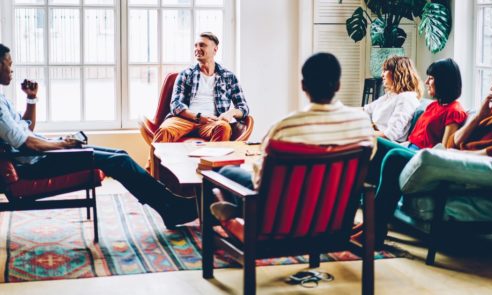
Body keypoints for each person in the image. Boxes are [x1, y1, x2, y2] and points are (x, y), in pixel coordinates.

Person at [0, 43, 196, 229]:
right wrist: (63, 145)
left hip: (41, 155)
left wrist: (31, 99)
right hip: (34, 165)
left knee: (120, 154)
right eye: (9, 65)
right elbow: (26, 143)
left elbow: (27, 129)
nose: (12, 70)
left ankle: (169, 205)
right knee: (119, 161)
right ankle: (170, 208)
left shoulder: (2, 99)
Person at [369, 62, 492, 249]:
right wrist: (480, 115)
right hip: (449, 158)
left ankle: (373, 233)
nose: (491, 87)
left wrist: (463, 156)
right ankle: (365, 225)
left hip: (457, 166)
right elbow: (457, 139)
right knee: (377, 148)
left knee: (394, 157)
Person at [210, 52, 374, 220]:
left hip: (282, 220)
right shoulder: (362, 124)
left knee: (226, 172)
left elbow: (260, 182)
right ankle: (239, 211)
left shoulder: (284, 128)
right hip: (333, 220)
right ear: (338, 85)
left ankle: (240, 212)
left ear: (303, 85)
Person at [153, 32, 249, 143]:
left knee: (224, 127)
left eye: (202, 45)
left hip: (213, 121)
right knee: (164, 131)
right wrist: (198, 117)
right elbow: (176, 104)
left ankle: (211, 160)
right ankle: (154, 161)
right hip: (184, 119)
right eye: (196, 45)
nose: (197, 48)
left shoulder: (229, 77)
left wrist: (231, 113)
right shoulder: (186, 74)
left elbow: (243, 107)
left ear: (215, 49)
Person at [408, 58, 467, 150]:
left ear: (443, 81)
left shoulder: (454, 111)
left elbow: (444, 148)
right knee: (378, 142)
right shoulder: (433, 105)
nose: (426, 82)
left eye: (431, 78)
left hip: (421, 155)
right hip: (409, 147)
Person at [363, 56, 423, 142]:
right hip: (375, 136)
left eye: (385, 70)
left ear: (398, 73)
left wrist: (361, 132)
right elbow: (366, 109)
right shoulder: (392, 95)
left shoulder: (406, 99)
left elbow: (390, 135)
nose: (382, 75)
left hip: (386, 144)